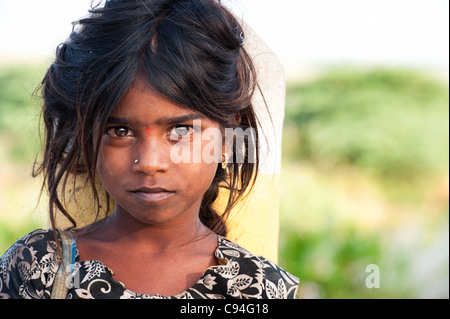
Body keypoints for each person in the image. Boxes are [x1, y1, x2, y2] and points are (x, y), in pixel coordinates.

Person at [0, 0, 299, 299]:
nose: (150, 163)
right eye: (120, 131)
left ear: (228, 138)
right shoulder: (39, 271)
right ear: (87, 138)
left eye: (180, 130)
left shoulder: (258, 290)